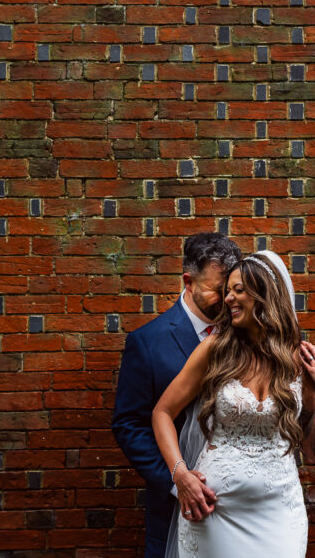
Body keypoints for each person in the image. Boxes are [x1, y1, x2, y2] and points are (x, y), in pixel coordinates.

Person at [152, 251, 315, 558]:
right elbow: (162, 412)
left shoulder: (297, 357)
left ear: (263, 293)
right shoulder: (216, 348)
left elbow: (312, 451)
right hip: (216, 509)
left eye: (238, 290)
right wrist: (180, 474)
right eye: (228, 291)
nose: (229, 299)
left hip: (279, 510)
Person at [111, 233, 243, 558]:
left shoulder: (246, 335)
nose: (227, 300)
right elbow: (129, 425)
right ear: (189, 281)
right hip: (176, 506)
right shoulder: (147, 342)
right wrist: (176, 480)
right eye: (217, 290)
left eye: (232, 289)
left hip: (241, 507)